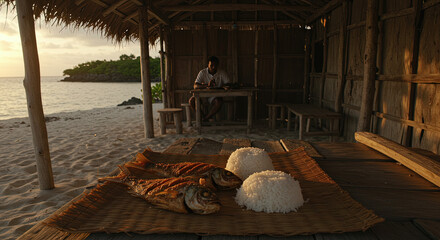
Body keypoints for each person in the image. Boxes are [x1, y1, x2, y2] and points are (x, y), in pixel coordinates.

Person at [189, 56, 231, 121]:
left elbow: (228, 84)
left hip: (214, 96)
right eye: (211, 65)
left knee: (219, 102)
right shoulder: (202, 72)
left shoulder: (222, 73)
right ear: (208, 65)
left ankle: (205, 118)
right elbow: (195, 86)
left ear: (218, 65)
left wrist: (223, 86)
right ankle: (203, 117)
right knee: (192, 101)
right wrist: (207, 85)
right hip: (202, 96)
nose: (213, 67)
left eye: (215, 65)